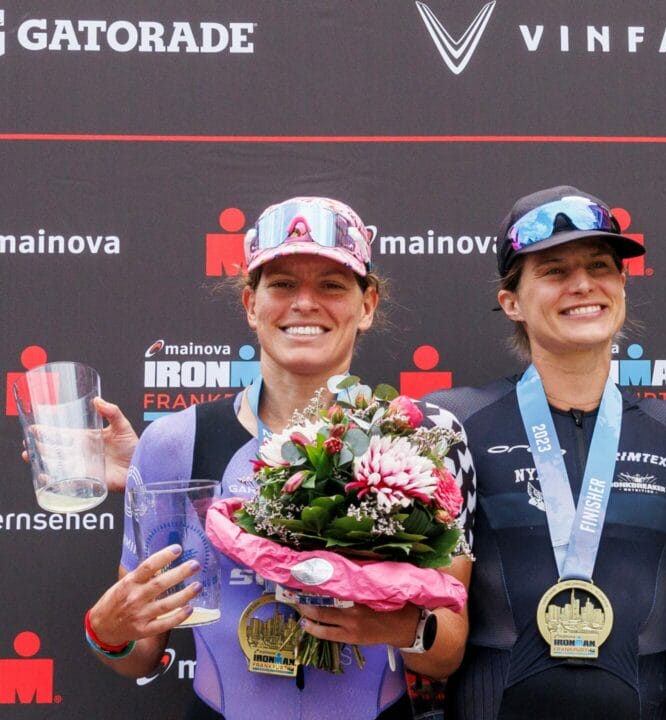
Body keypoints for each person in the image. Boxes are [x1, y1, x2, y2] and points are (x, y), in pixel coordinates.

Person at [81, 197, 475, 719]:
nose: (304, 303)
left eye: (332, 285)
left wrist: (398, 627)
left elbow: (447, 652)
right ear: (251, 303)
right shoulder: (173, 443)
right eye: (282, 284)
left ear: (368, 304)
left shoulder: (425, 437)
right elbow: (141, 653)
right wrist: (107, 636)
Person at [428, 186, 666, 719]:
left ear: (622, 284)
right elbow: (431, 625)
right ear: (512, 302)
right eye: (553, 271)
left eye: (599, 266)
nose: (582, 285)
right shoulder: (453, 424)